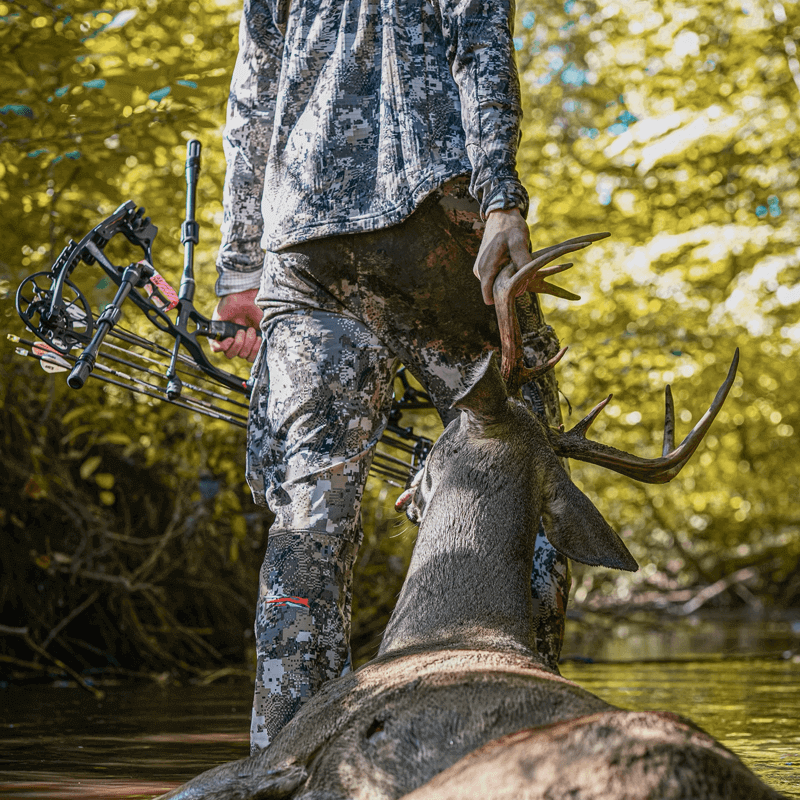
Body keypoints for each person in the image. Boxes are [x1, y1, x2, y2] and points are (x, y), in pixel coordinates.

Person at [210, 0, 571, 754]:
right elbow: (479, 41)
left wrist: (240, 270)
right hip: (428, 220)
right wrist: (501, 198)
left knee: (310, 517)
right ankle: (515, 743)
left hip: (304, 246)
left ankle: (286, 765)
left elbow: (252, 100)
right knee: (524, 447)